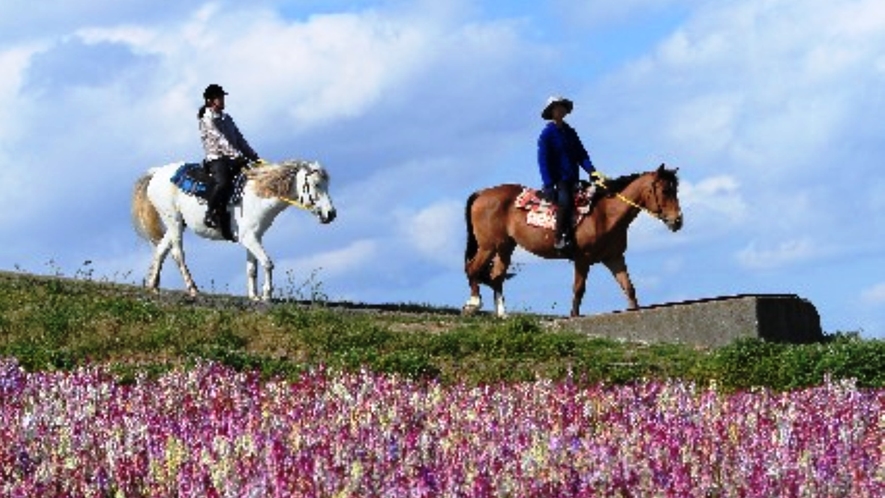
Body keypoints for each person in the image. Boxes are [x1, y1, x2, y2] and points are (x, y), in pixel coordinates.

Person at [537, 95, 599, 251]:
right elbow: (543, 161)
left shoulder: (570, 132)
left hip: (573, 178)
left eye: (563, 107)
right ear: (552, 111)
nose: (561, 110)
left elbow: (581, 154)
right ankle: (559, 238)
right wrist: (549, 184)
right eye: (557, 107)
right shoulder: (547, 135)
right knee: (565, 202)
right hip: (558, 180)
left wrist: (592, 171)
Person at [198, 83, 259, 231]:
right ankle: (210, 213)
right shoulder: (206, 119)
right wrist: (237, 156)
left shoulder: (227, 118)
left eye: (222, 97)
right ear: (211, 101)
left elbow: (239, 139)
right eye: (219, 98)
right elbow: (220, 140)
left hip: (233, 158)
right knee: (223, 183)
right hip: (217, 159)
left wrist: (253, 156)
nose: (223, 100)